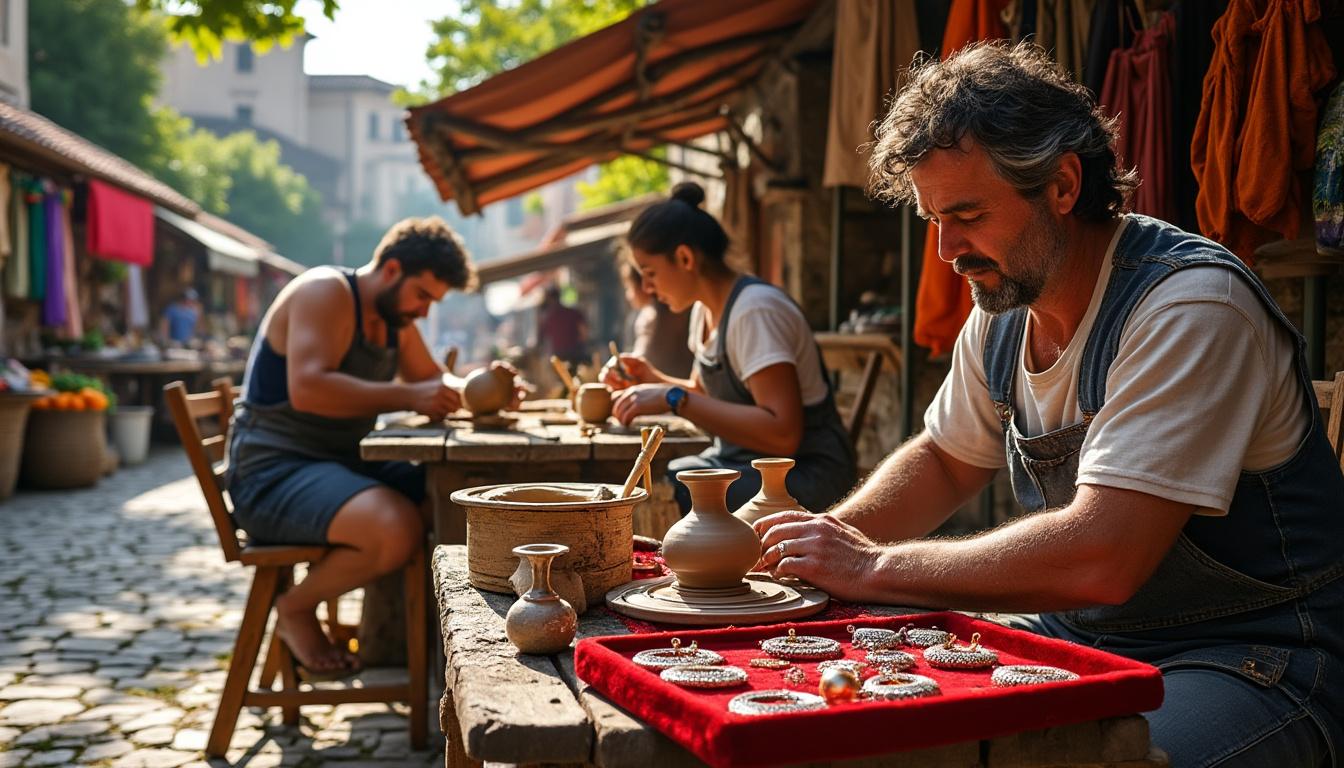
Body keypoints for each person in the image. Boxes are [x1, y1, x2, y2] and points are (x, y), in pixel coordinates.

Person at [755, 42, 1343, 768]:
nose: (946, 251)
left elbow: (1105, 556)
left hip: (1253, 659)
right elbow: (944, 459)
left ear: (1063, 185)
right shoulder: (1006, 305)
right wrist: (822, 542)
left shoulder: (1190, 306)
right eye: (934, 218)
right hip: (1079, 641)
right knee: (878, 723)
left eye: (967, 213)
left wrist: (872, 569)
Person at [226, 216, 493, 679]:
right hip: (271, 471)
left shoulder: (395, 316)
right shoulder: (324, 291)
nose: (425, 312)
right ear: (392, 270)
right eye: (423, 296)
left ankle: (405, 632)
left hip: (339, 464)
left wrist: (484, 387)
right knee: (393, 526)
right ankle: (295, 607)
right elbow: (308, 388)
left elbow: (431, 381)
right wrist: (408, 395)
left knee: (453, 496)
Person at [602, 182, 857, 514]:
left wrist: (671, 397)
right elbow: (704, 395)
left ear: (684, 257)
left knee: (662, 492)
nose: (648, 288)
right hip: (744, 462)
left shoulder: (754, 311)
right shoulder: (704, 311)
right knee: (645, 480)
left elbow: (783, 435)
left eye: (650, 273)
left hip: (804, 475)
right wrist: (652, 380)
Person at [619, 259, 693, 379]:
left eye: (629, 287)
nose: (628, 295)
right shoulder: (680, 309)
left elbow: (642, 359)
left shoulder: (651, 316)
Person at [536, 284, 589, 366]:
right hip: (575, 354)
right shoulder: (573, 313)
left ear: (549, 299)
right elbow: (584, 333)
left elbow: (541, 339)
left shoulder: (547, 318)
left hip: (559, 356)